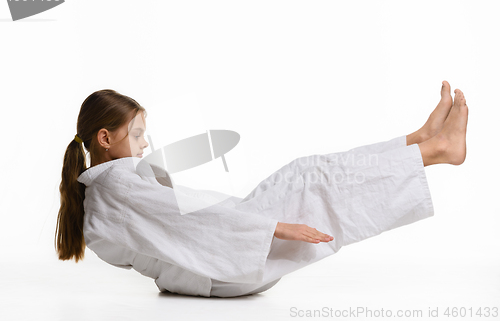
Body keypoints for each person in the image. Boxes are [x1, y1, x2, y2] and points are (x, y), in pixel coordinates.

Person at [55, 81, 468, 297]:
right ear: (105, 139)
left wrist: (262, 224)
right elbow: (191, 220)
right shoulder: (117, 190)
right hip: (222, 268)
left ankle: (418, 143)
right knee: (311, 179)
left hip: (217, 262)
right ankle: (432, 150)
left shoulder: (111, 189)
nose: (145, 143)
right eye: (138, 134)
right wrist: (273, 227)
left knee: (306, 172)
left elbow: (173, 223)